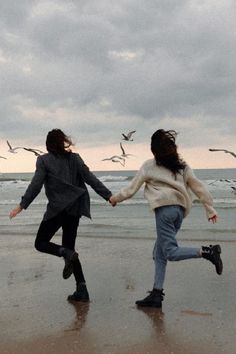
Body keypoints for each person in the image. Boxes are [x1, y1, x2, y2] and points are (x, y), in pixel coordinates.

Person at [110, 129, 222, 308]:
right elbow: (198, 187)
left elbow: (132, 188)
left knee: (170, 252)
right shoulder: (182, 165)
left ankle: (207, 252)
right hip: (179, 212)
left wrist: (115, 199)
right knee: (159, 253)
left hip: (164, 211)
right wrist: (210, 209)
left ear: (154, 150)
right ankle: (156, 294)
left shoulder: (149, 165)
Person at [9, 129, 112, 302]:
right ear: (63, 142)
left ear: (48, 145)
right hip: (74, 209)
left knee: (41, 243)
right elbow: (90, 178)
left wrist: (21, 206)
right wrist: (108, 196)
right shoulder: (75, 159)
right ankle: (82, 289)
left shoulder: (44, 160)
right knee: (71, 251)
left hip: (57, 209)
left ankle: (64, 253)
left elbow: (36, 185)